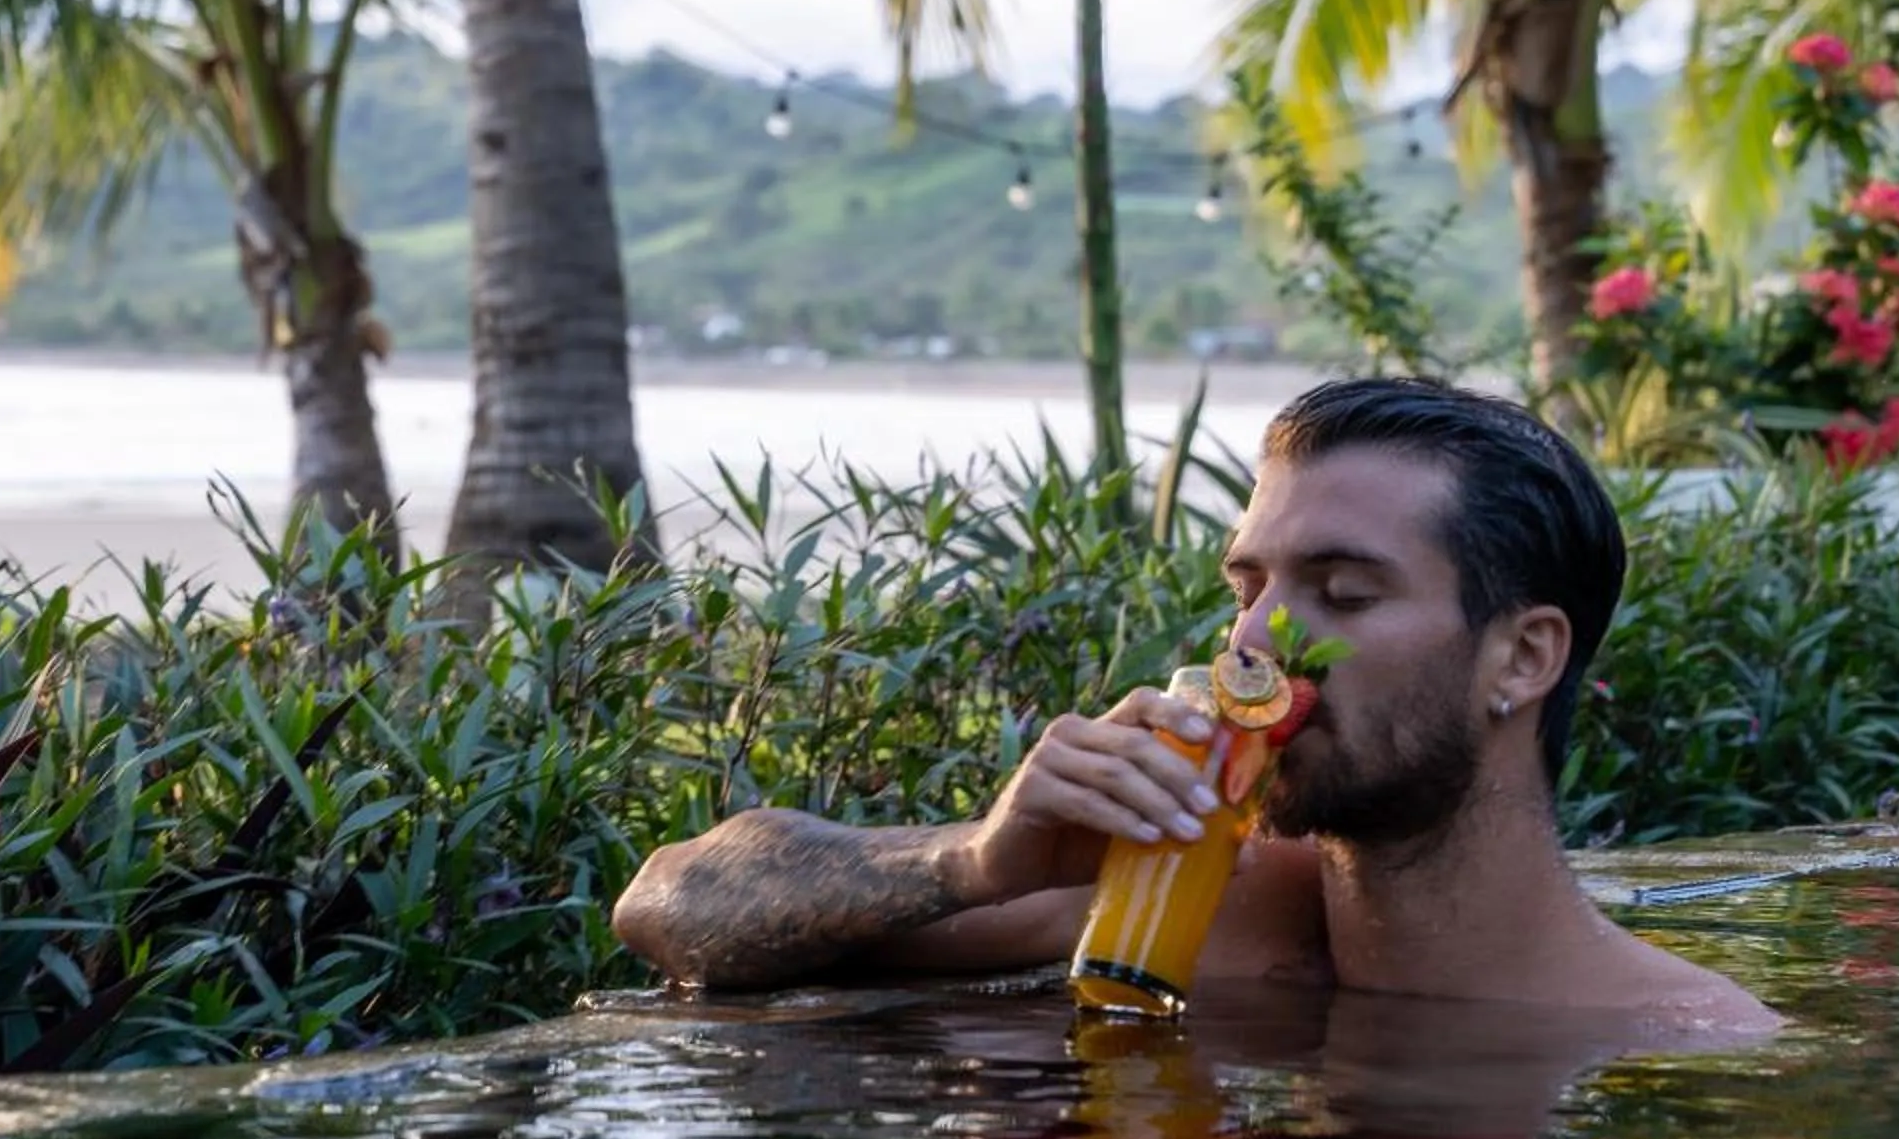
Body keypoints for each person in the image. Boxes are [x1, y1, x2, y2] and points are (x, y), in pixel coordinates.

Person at [612, 376, 1778, 1033]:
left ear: (1520, 658)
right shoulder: (1199, 913)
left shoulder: (1675, 1036)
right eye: (1247, 586)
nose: (1254, 640)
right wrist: (973, 862)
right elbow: (670, 903)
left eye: (1342, 590)